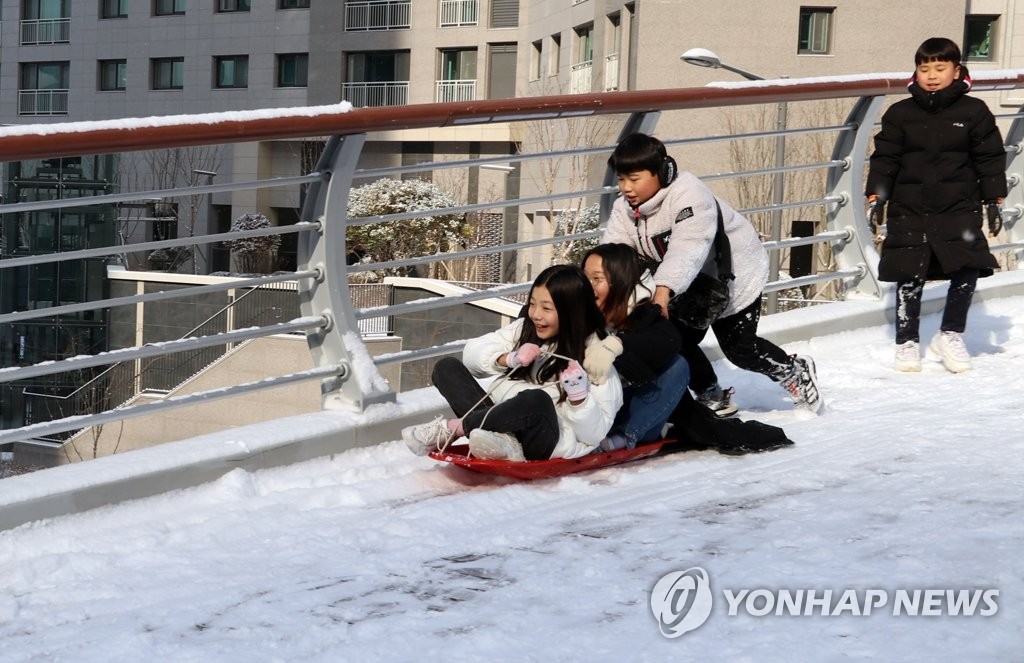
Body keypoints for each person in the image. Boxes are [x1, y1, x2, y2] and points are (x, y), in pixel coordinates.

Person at [601, 132, 823, 415]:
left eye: (634, 179)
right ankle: (711, 393)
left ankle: (793, 372)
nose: (626, 188)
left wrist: (663, 290)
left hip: (733, 275)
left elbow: (688, 246)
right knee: (670, 338)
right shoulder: (624, 209)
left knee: (740, 349)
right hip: (685, 282)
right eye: (621, 179)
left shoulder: (689, 195)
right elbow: (613, 253)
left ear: (662, 173)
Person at [865, 37, 1006, 374]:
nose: (931, 75)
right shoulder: (900, 113)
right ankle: (907, 342)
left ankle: (951, 333)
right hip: (909, 206)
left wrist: (993, 199)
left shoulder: (974, 111)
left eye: (940, 68)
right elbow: (885, 158)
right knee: (909, 273)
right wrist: (877, 196)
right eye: (924, 68)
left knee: (968, 267)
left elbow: (989, 158)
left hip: (959, 205)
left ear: (956, 71)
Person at [401, 264, 623, 462]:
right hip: (497, 420)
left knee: (537, 399)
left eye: (546, 308)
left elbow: (594, 435)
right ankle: (503, 440)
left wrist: (579, 399)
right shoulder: (525, 330)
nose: (536, 314)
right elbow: (472, 354)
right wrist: (508, 358)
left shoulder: (596, 358)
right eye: (532, 304)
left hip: (543, 439)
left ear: (572, 312)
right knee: (447, 368)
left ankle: (454, 429)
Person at [580, 243, 689, 451]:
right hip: (583, 410)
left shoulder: (640, 313)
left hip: (626, 410)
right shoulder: (575, 306)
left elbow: (668, 340)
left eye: (597, 279)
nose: (588, 286)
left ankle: (624, 436)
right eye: (585, 278)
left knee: (677, 365)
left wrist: (618, 343)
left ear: (619, 282)